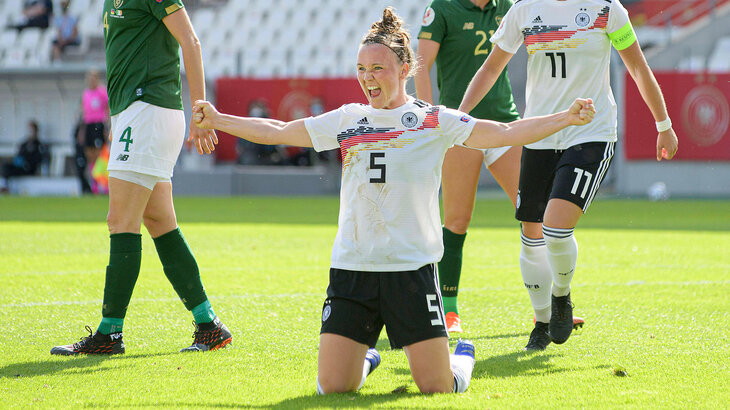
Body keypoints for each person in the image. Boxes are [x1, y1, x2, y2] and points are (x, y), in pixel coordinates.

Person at [192, 8, 595, 394]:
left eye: (378, 68)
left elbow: (505, 131)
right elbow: (278, 130)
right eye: (362, 69)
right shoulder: (347, 119)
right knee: (333, 387)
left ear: (405, 70)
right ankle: (367, 359)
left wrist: (565, 118)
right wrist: (217, 118)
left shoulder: (434, 121)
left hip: (411, 271)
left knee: (435, 386)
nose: (368, 78)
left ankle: (463, 358)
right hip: (352, 269)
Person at [459, 0, 678, 349]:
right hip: (539, 134)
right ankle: (541, 322)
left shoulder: (607, 9)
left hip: (590, 133)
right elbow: (490, 69)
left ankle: (561, 297)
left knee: (555, 227)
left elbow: (638, 68)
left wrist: (664, 124)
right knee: (531, 234)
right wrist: (460, 117)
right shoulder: (524, 10)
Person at [50, 0, 229, 355]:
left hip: (148, 109)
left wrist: (200, 110)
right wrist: (119, 121)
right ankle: (208, 325)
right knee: (159, 221)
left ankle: (109, 332)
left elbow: (190, 41)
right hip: (135, 113)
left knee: (121, 220)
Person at [415, 0, 584, 344]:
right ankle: (449, 309)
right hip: (460, 128)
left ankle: (554, 308)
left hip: (505, 125)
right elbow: (420, 67)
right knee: (457, 220)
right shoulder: (443, 8)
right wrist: (430, 118)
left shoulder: (509, 7)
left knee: (534, 216)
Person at [1, 120, 49, 192]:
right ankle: (5, 186)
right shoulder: (24, 144)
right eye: (29, 130)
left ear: (36, 131)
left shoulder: (39, 145)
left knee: (10, 170)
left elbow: (40, 159)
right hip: (20, 167)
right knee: (6, 167)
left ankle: (6, 188)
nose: (30, 132)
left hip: (29, 169)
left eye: (32, 130)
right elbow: (18, 156)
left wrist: (28, 163)